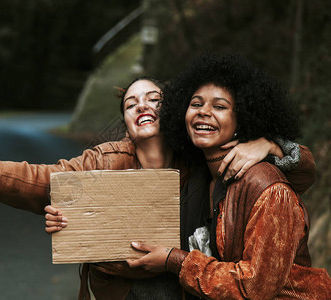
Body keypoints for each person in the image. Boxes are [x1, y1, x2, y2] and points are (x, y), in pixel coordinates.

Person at [0, 76, 315, 300]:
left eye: (154, 98)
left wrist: (272, 144)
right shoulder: (102, 161)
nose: (142, 106)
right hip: (123, 295)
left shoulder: (200, 156)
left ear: (172, 108)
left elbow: (296, 175)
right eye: (131, 103)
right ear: (125, 121)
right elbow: (33, 180)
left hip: (195, 290)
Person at [123, 54, 330, 299]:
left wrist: (174, 260)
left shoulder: (267, 187)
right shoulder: (195, 174)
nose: (204, 112)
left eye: (219, 106)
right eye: (196, 104)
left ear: (242, 118)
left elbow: (254, 288)